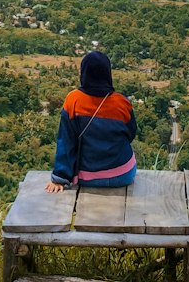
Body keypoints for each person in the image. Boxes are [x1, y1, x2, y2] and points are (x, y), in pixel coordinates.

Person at [45, 50, 137, 192]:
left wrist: (59, 179)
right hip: (123, 174)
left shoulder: (73, 101)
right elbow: (131, 134)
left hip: (88, 177)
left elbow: (66, 141)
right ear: (108, 74)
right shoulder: (122, 103)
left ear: (84, 73)